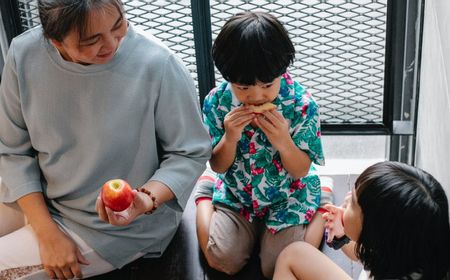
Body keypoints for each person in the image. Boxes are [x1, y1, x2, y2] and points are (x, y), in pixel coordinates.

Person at [0, 0, 211, 279]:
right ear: (55, 41)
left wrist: (146, 199)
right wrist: (46, 230)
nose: (112, 43)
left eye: (118, 24)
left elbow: (190, 153)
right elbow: (12, 151)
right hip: (39, 197)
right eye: (92, 40)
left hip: (113, 227)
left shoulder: (158, 63)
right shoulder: (23, 54)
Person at [194, 11, 332, 279]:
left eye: (268, 85)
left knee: (277, 267)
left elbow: (300, 170)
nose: (256, 96)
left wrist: (283, 141)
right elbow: (218, 163)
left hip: (288, 195)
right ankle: (204, 193)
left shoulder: (301, 105)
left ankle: (322, 199)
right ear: (228, 76)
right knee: (221, 259)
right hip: (237, 195)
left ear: (282, 70)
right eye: (243, 87)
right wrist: (230, 137)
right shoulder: (217, 103)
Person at [273, 161, 450, 280]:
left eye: (354, 204)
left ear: (374, 231)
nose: (348, 196)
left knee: (292, 255)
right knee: (295, 253)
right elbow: (363, 253)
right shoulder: (407, 246)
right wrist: (342, 234)